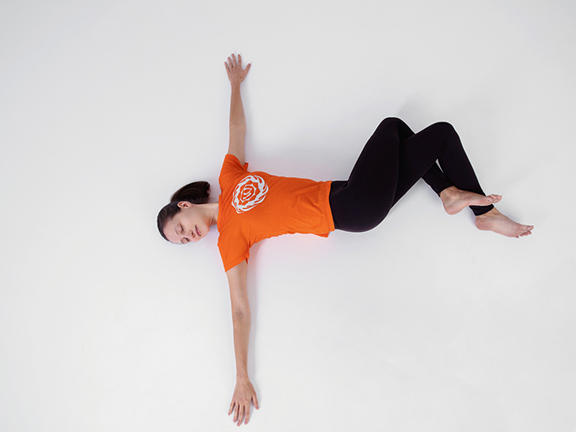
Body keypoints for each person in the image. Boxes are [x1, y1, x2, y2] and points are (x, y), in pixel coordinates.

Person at [156, 54, 533, 426]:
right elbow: (239, 310)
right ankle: (480, 212)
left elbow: (236, 130)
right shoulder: (229, 242)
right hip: (351, 209)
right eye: (183, 242)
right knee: (430, 132)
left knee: (403, 128)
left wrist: (235, 86)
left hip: (347, 192)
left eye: (180, 229)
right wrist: (241, 377)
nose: (189, 237)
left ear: (184, 206)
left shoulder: (230, 177)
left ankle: (453, 197)